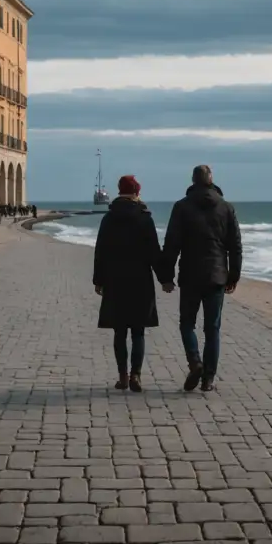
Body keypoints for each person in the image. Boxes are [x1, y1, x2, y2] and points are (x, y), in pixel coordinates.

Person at [162, 164, 242, 392]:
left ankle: (195, 362)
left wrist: (166, 276)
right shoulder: (226, 208)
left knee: (187, 324)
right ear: (211, 180)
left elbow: (171, 244)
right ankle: (208, 379)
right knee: (212, 329)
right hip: (216, 276)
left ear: (193, 180)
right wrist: (233, 276)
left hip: (190, 274)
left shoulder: (181, 207)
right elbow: (235, 246)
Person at [93, 175, 170, 393]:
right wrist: (165, 279)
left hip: (115, 280)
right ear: (137, 192)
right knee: (138, 331)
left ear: (119, 191)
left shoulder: (108, 218)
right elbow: (154, 252)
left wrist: (98, 280)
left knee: (119, 332)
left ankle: (123, 377)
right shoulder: (145, 218)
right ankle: (136, 375)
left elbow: (101, 252)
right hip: (140, 281)